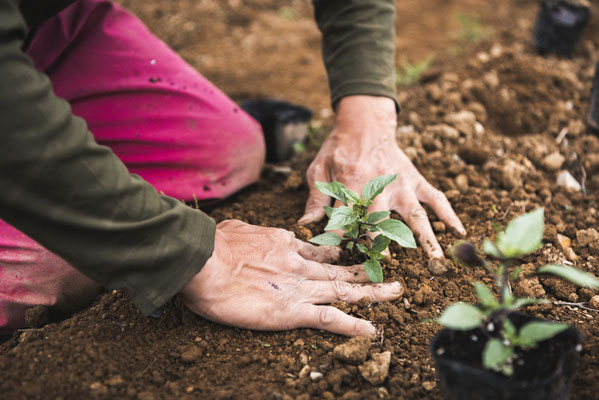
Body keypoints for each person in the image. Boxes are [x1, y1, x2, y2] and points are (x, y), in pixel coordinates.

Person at [0, 0, 465, 337]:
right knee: (48, 272)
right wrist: (186, 252)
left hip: (44, 30)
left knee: (228, 151)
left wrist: (367, 119)